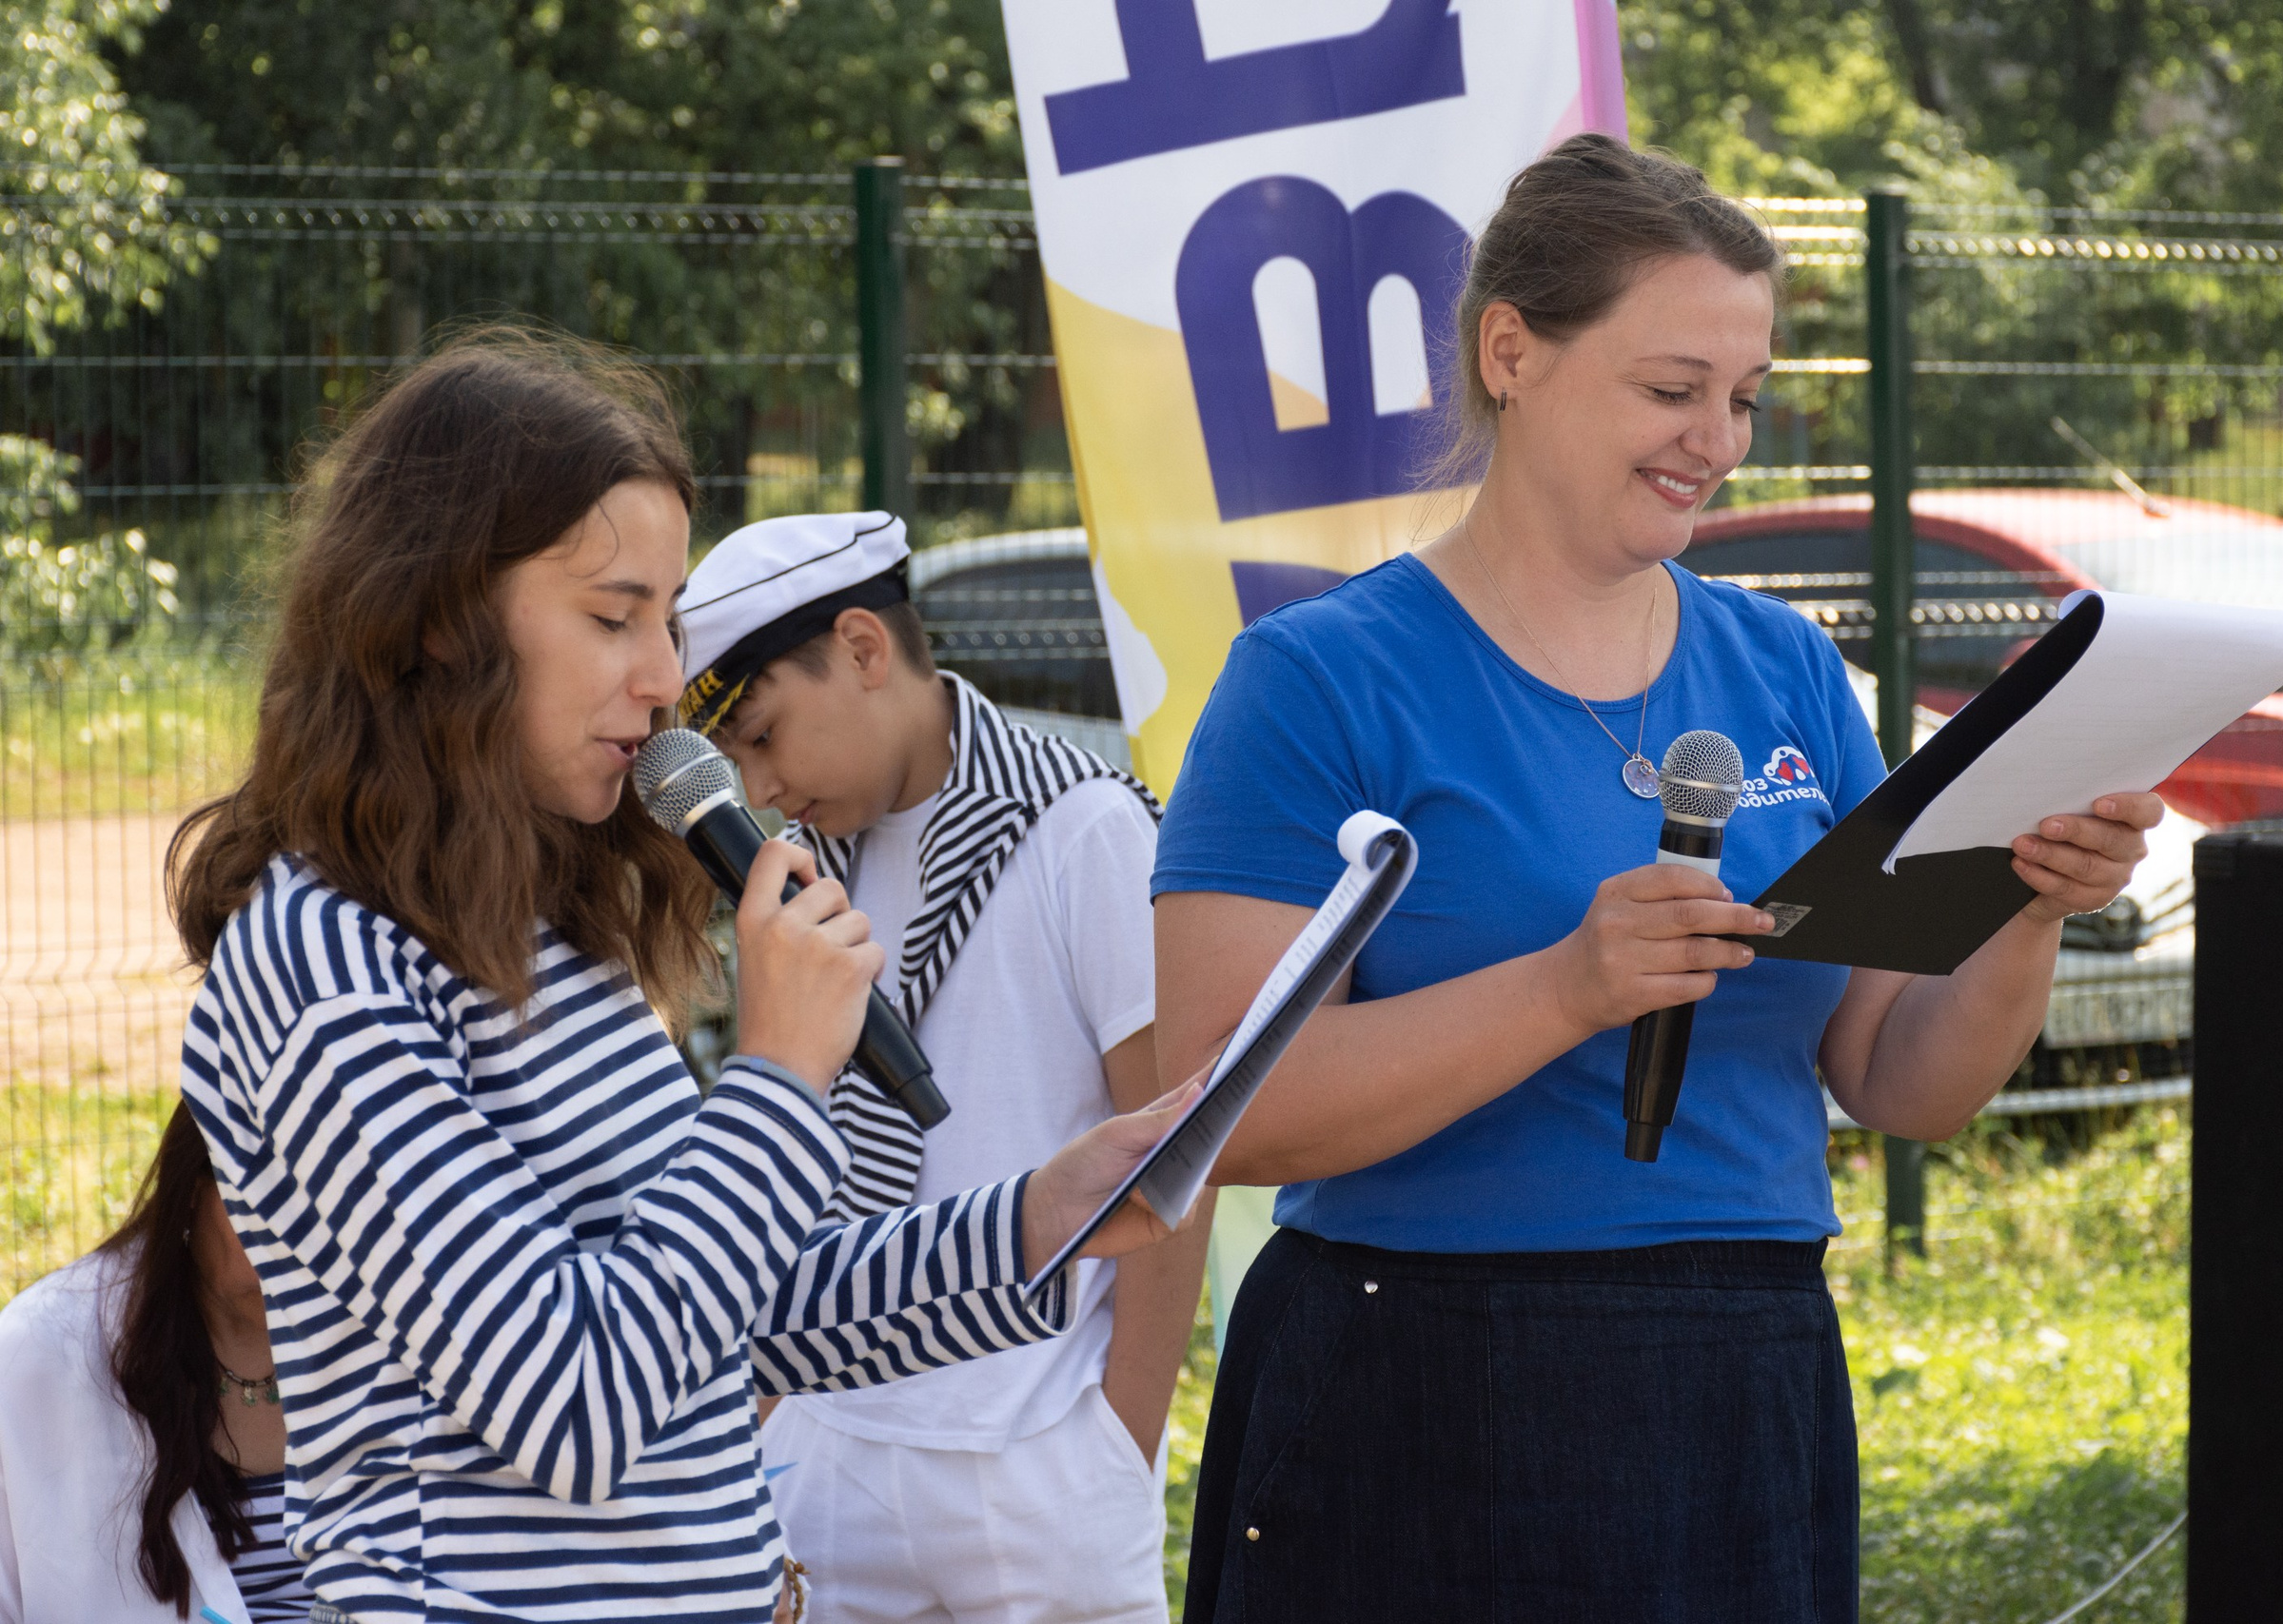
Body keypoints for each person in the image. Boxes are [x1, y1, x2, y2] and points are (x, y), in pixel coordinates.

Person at [1153, 135, 2165, 1623]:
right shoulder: (1317, 680)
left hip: (1744, 1376)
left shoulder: (1788, 668)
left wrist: (2022, 907)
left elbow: (1900, 1079)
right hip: (1414, 1378)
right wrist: (1565, 987)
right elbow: (1214, 1105)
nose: (1719, 437)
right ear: (1514, 351)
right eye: (1672, 387)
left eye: (1745, 397)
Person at [167, 327, 1194, 1624]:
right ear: (439, 615)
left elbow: (734, 1319)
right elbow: (573, 1399)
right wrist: (774, 1076)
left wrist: (1044, 1214)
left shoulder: (543, 935)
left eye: (665, 617)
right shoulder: (324, 964)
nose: (663, 686)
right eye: (615, 617)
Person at [678, 512, 1204, 1624]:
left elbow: (1171, 1155)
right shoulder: (798, 864)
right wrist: (780, 1413)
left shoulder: (1086, 830)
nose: (758, 787)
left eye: (765, 737)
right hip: (826, 1436)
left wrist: (1121, 1440)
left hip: (1038, 1452)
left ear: (865, 649)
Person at [0, 1105, 305, 1622]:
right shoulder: (43, 1349)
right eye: (274, 1199)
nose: (304, 1245)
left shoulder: (423, 1343)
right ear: (191, 1188)